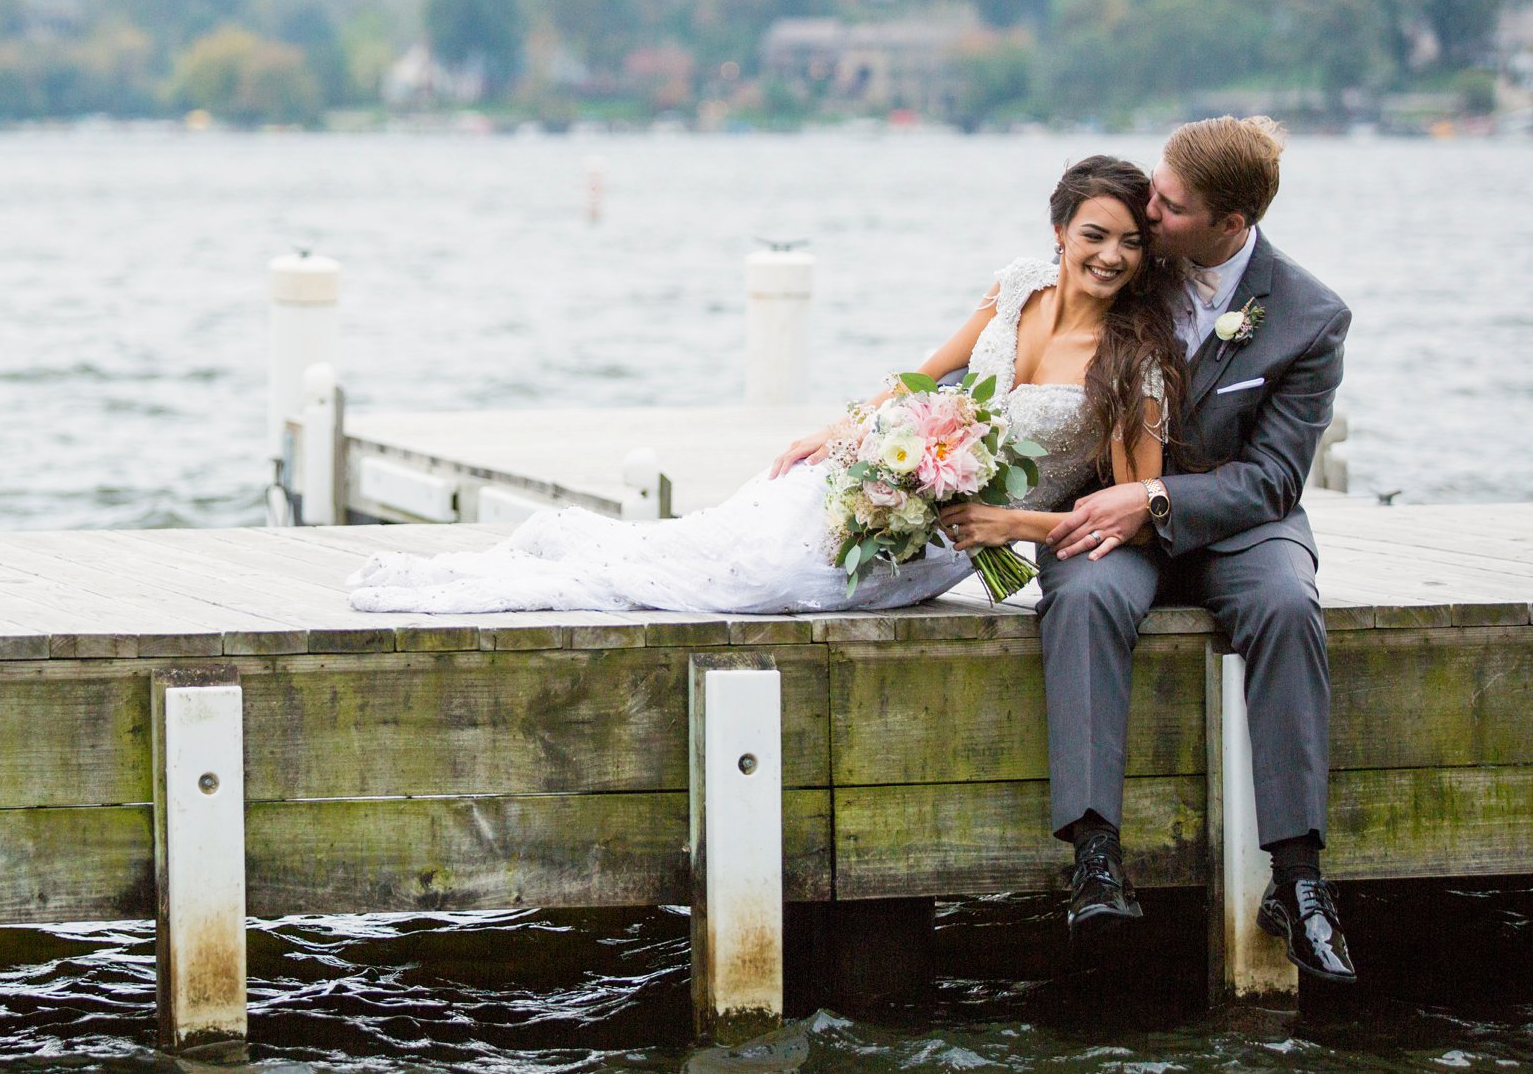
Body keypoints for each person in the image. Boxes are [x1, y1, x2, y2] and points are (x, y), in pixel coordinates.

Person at [346, 156, 1183, 624]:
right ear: (1059, 232)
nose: (1111, 255)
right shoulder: (1018, 287)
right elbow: (929, 376)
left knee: (759, 583)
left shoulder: (1132, 364)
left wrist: (1009, 522)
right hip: (876, 485)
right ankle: (543, 547)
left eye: (1131, 244)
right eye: (1093, 235)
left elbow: (1132, 511)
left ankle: (538, 562)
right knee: (707, 548)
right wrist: (851, 430)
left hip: (942, 543)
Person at [1039, 116, 1357, 982]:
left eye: (1169, 206)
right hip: (1105, 502)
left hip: (1239, 519)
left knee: (1290, 604)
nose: (1147, 207)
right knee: (1086, 596)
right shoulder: (1123, 253)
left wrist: (1158, 496)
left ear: (1230, 223)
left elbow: (1274, 479)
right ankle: (1095, 858)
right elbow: (1017, 341)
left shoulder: (1309, 315)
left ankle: (1299, 880)